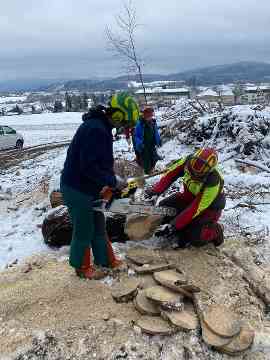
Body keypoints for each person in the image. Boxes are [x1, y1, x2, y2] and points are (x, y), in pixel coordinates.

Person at [60, 92, 140, 279]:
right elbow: (88, 166)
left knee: (98, 225)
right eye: (125, 122)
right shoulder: (96, 129)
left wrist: (110, 179)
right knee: (84, 229)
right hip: (77, 189)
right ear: (118, 115)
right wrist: (112, 181)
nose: (124, 127)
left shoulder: (101, 127)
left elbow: (99, 163)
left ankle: (105, 260)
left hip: (89, 187)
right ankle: (82, 267)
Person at [145, 148, 225, 248]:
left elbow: (195, 208)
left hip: (208, 210)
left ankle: (216, 230)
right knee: (163, 209)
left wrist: (173, 226)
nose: (193, 175)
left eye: (198, 174)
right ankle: (180, 226)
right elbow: (170, 175)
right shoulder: (187, 161)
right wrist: (155, 192)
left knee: (193, 236)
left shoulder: (213, 181)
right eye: (192, 171)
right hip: (187, 198)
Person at [134, 107, 162, 174]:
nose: (150, 117)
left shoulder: (153, 123)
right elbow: (136, 135)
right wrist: (139, 143)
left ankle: (152, 169)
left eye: (151, 115)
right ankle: (147, 172)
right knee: (146, 160)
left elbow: (156, 132)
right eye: (149, 116)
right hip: (144, 145)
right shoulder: (140, 124)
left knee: (154, 157)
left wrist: (158, 140)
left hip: (152, 144)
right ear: (145, 115)